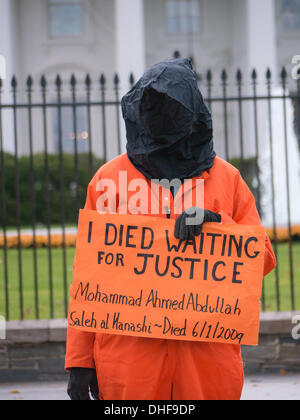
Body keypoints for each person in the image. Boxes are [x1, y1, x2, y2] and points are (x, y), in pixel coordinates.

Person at [66, 58, 276, 401]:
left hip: (206, 367)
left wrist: (216, 225)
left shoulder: (227, 179)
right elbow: (87, 278)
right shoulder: (107, 181)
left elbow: (262, 259)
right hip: (130, 367)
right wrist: (78, 360)